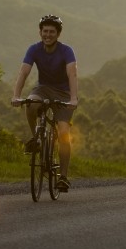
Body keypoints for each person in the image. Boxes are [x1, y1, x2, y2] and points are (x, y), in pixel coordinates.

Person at [11, 14, 79, 192]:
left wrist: (73, 98)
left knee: (63, 133)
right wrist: (16, 95)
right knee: (31, 103)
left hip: (64, 93)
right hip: (43, 88)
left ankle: (63, 177)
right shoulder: (34, 49)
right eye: (45, 31)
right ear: (40, 32)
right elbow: (24, 72)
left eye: (52, 32)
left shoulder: (66, 50)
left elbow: (72, 74)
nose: (48, 35)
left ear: (58, 34)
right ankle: (37, 138)